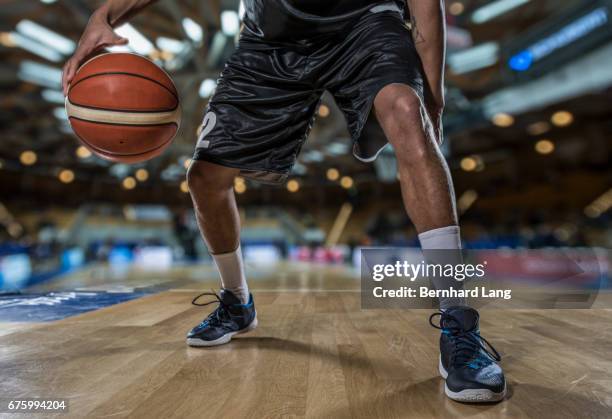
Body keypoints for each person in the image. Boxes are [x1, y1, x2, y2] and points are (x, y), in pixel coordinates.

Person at [63, 0, 505, 403]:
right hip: (270, 37)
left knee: (409, 114)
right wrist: (103, 16)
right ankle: (237, 302)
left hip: (366, 23)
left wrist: (436, 98)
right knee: (204, 177)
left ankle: (459, 323)